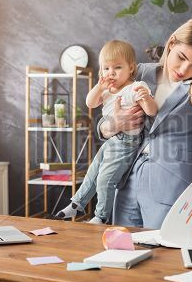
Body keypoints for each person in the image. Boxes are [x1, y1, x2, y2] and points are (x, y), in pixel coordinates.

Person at [97, 18, 192, 229]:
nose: (184, 69)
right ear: (171, 44)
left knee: (165, 257)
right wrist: (112, 126)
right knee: (124, 250)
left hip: (173, 188)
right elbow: (105, 118)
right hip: (126, 182)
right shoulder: (139, 73)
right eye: (181, 57)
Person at [56, 40, 157, 224]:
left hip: (127, 141)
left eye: (117, 67)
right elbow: (90, 103)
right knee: (93, 171)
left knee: (106, 178)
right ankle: (76, 204)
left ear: (131, 68)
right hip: (112, 139)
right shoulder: (107, 90)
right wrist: (99, 87)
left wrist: (146, 98)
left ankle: (101, 216)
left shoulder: (134, 87)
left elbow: (151, 111)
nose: (111, 73)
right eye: (106, 68)